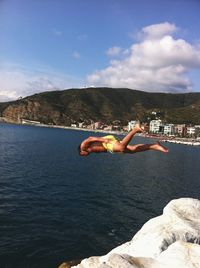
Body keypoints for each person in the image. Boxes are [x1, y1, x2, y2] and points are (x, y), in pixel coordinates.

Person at [78, 124, 169, 157]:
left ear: (81, 152)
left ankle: (135, 129)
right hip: (110, 146)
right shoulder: (90, 150)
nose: (85, 156)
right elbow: (102, 149)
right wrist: (115, 150)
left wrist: (102, 139)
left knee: (122, 148)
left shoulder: (83, 147)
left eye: (83, 156)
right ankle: (154, 146)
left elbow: (90, 138)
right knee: (132, 150)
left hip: (107, 142)